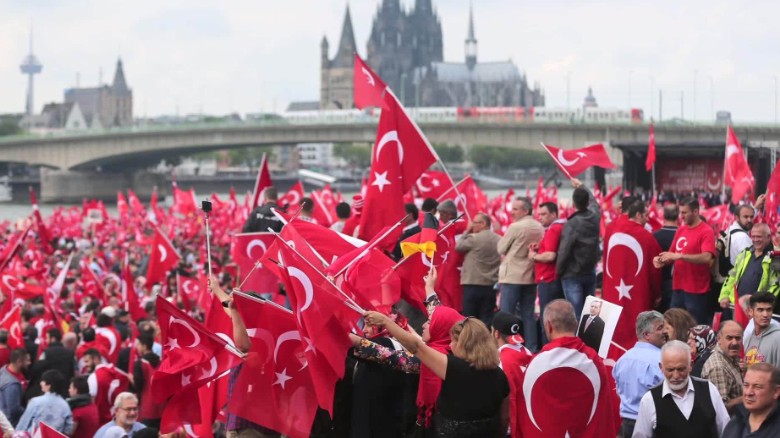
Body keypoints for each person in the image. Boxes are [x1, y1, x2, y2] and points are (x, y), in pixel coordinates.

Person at [363, 310, 510, 437]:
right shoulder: (500, 376)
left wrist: (385, 321)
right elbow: (504, 419)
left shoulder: (453, 368)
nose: (450, 345)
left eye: (453, 341)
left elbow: (417, 347)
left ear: (466, 345)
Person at [518, 300, 617, 436]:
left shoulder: (535, 364)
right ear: (576, 324)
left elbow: (525, 411)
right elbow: (603, 411)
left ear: (548, 326)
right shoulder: (594, 361)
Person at [633, 340, 730, 437]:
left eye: (681, 369)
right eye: (670, 370)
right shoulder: (649, 400)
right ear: (661, 367)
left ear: (690, 366)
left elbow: (727, 431)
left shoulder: (709, 390)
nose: (676, 376)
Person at [654, 197, 716, 325]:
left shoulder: (706, 231)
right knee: (674, 325)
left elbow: (707, 257)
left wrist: (681, 256)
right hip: (678, 288)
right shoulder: (681, 230)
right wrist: (660, 260)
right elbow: (671, 256)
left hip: (696, 290)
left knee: (695, 327)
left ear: (695, 212)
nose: (681, 216)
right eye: (680, 212)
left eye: (684, 213)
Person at [497, 197, 544, 352]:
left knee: (506, 315)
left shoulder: (515, 227)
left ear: (526, 210)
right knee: (528, 315)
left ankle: (506, 348)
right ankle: (532, 349)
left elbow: (501, 248)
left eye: (516, 209)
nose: (512, 212)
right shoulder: (539, 227)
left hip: (512, 277)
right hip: (530, 276)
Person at [613, 310, 666, 437]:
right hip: (653, 426)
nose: (665, 331)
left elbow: (618, 391)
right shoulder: (661, 360)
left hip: (627, 425)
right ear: (647, 335)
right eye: (660, 328)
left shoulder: (622, 359)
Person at [556, 178, 600, 321]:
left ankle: (576, 342)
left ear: (573, 203)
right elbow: (595, 203)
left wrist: (559, 271)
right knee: (590, 315)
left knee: (576, 315)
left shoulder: (572, 223)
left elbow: (564, 249)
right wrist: (582, 185)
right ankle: (588, 342)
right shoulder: (594, 216)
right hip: (590, 271)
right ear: (587, 202)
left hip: (572, 274)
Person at [529, 201, 565, 347]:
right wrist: (540, 246)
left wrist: (533, 256)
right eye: (539, 214)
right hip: (553, 280)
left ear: (554, 214)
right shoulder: (560, 227)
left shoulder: (553, 229)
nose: (540, 217)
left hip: (548, 280)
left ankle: (547, 349)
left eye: (544, 214)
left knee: (547, 319)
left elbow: (550, 256)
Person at [491, 311, 532, 438]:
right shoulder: (527, 352)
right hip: (527, 424)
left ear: (496, 333)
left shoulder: (497, 360)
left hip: (508, 427)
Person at [719, 223, 780, 309]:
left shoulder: (776, 256)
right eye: (753, 236)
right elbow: (732, 275)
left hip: (759, 310)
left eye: (759, 237)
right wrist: (724, 295)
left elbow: (776, 285)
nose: (755, 239)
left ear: (768, 237)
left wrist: (761, 303)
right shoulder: (745, 253)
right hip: (737, 307)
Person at [456, 213, 501, 325]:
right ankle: (485, 342)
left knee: (469, 320)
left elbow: (458, 246)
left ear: (483, 224)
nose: (472, 225)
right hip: (490, 286)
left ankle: (470, 342)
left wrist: (467, 231)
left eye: (475, 223)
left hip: (472, 285)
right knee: (486, 319)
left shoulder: (474, 238)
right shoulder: (499, 239)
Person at [722, 363, 780, 437]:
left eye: (757, 387)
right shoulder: (734, 423)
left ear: (776, 392)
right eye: (746, 385)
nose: (749, 393)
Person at [701, 321, 744, 414]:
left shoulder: (731, 356)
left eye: (738, 338)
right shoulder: (718, 368)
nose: (734, 342)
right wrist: (748, 396)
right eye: (729, 338)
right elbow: (721, 408)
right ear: (719, 339)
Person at [16, 369, 74, 434]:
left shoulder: (35, 402)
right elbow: (69, 429)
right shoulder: (65, 405)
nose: (40, 383)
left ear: (49, 385)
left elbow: (23, 424)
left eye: (43, 381)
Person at [27, 327, 76, 400]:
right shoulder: (70, 353)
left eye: (47, 338)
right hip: (66, 389)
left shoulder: (46, 353)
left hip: (51, 389)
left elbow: (36, 368)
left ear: (53, 339)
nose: (46, 340)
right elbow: (74, 371)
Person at [132, 333, 162, 428]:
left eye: (138, 344)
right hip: (161, 407)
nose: (137, 346)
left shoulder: (139, 364)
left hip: (146, 408)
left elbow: (138, 385)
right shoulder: (161, 362)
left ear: (144, 346)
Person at [654, 203, 680, 311]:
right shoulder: (683, 236)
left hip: (660, 284)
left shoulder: (654, 236)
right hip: (679, 285)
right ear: (678, 215)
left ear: (663, 215)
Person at [717, 204, 755, 277]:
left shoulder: (730, 229)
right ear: (737, 218)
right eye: (746, 217)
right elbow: (750, 263)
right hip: (737, 280)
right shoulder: (742, 237)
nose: (749, 220)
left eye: (751, 217)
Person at [744, 292, 780, 367]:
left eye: (769, 310)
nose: (765, 315)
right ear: (750, 311)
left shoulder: (778, 338)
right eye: (760, 310)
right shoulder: (748, 339)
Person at [0, 348, 29, 425]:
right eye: (26, 360)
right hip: (12, 424)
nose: (29, 363)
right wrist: (29, 410)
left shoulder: (4, 371)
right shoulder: (11, 385)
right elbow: (14, 410)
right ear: (19, 361)